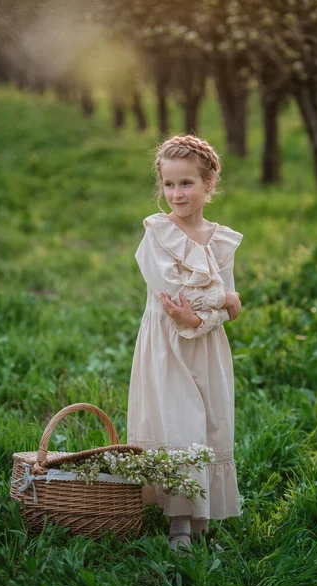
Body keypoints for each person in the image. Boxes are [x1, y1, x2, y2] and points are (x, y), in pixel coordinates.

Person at [127, 134, 243, 552]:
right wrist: (223, 301)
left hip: (208, 344)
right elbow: (173, 293)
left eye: (187, 183)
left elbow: (222, 306)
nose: (176, 193)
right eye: (169, 184)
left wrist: (212, 310)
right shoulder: (157, 233)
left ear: (209, 184)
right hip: (167, 344)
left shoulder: (221, 240)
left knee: (210, 422)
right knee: (178, 424)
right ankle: (178, 521)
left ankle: (201, 516)